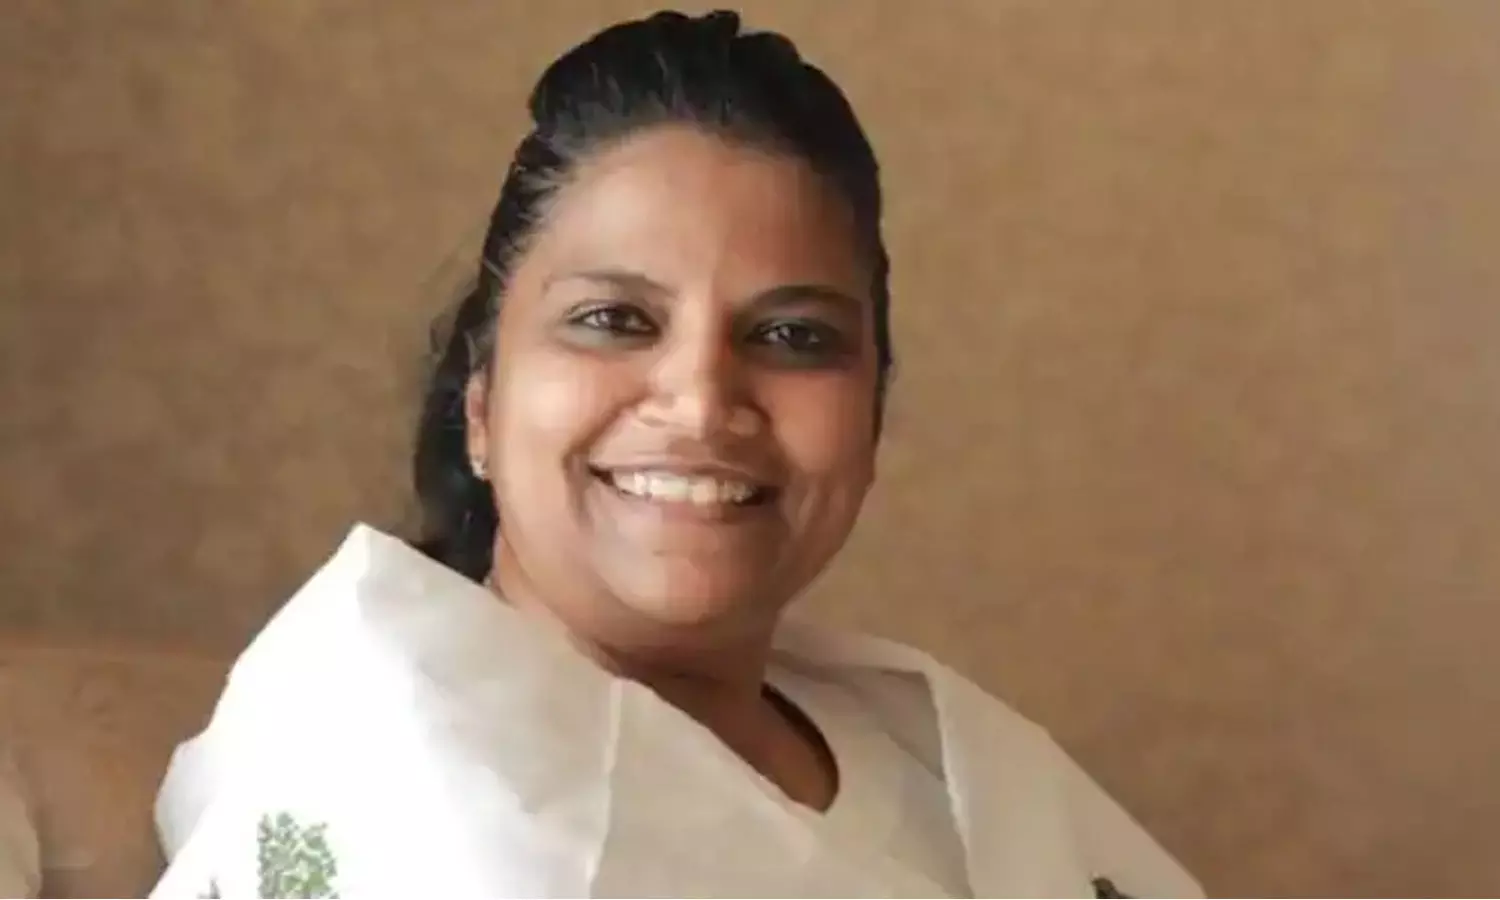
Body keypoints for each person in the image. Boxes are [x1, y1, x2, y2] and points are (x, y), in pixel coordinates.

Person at [152, 10, 1203, 898]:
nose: (701, 402)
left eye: (793, 336)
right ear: (480, 405)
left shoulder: (940, 756)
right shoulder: (403, 790)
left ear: (871, 416)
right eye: (614, 320)